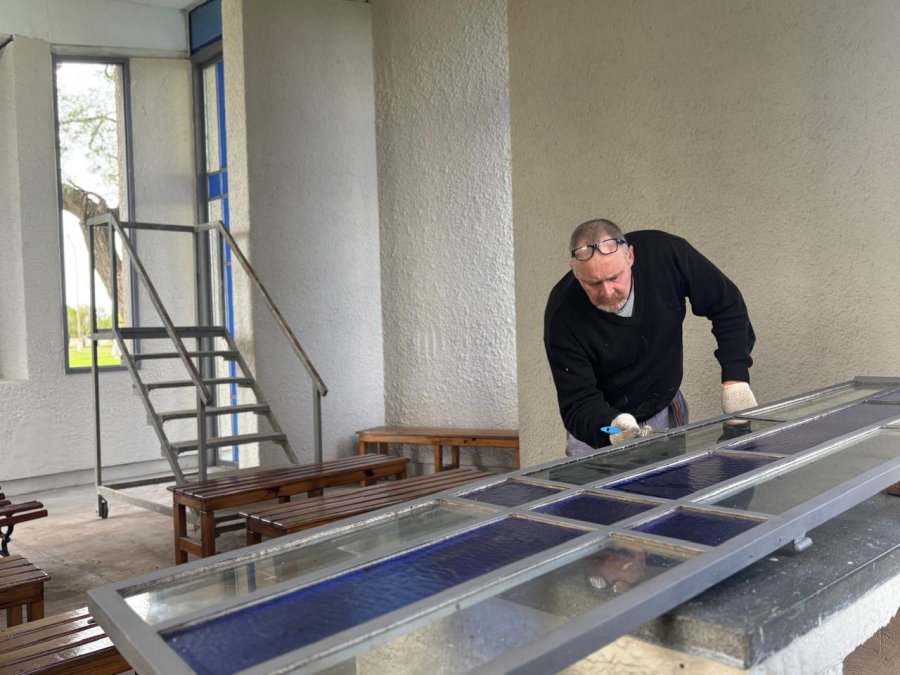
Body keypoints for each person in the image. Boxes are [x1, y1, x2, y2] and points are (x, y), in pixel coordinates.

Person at [544, 218, 757, 456]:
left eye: (615, 277)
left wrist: (736, 379)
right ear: (575, 272)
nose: (607, 291)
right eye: (593, 283)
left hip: (663, 408)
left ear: (630, 256)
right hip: (599, 428)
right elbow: (578, 404)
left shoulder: (665, 255)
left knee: (673, 480)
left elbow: (727, 304)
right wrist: (612, 430)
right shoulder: (563, 315)